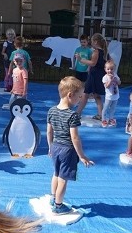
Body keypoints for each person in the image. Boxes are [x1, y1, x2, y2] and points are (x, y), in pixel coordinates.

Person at [47, 76, 94, 214]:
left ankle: (53, 197)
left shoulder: (52, 111)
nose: (80, 99)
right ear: (70, 95)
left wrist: (50, 146)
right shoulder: (72, 115)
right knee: (63, 179)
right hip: (67, 150)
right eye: (79, 97)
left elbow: (49, 131)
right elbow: (75, 137)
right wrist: (82, 155)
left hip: (55, 147)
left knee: (56, 174)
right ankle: (58, 205)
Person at [76, 33, 108, 120]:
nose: (91, 43)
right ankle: (101, 114)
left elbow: (93, 63)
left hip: (94, 76)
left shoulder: (96, 52)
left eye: (92, 41)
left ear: (96, 42)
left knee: (85, 94)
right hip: (100, 75)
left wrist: (80, 59)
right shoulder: (104, 52)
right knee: (96, 95)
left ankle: (77, 113)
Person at [101, 60, 121, 127]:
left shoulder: (115, 75)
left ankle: (111, 118)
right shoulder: (105, 77)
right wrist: (110, 80)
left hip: (115, 96)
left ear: (114, 69)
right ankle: (103, 119)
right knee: (106, 108)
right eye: (108, 69)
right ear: (105, 69)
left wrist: (116, 80)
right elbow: (106, 86)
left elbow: (119, 83)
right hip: (109, 96)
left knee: (113, 108)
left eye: (111, 69)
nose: (110, 70)